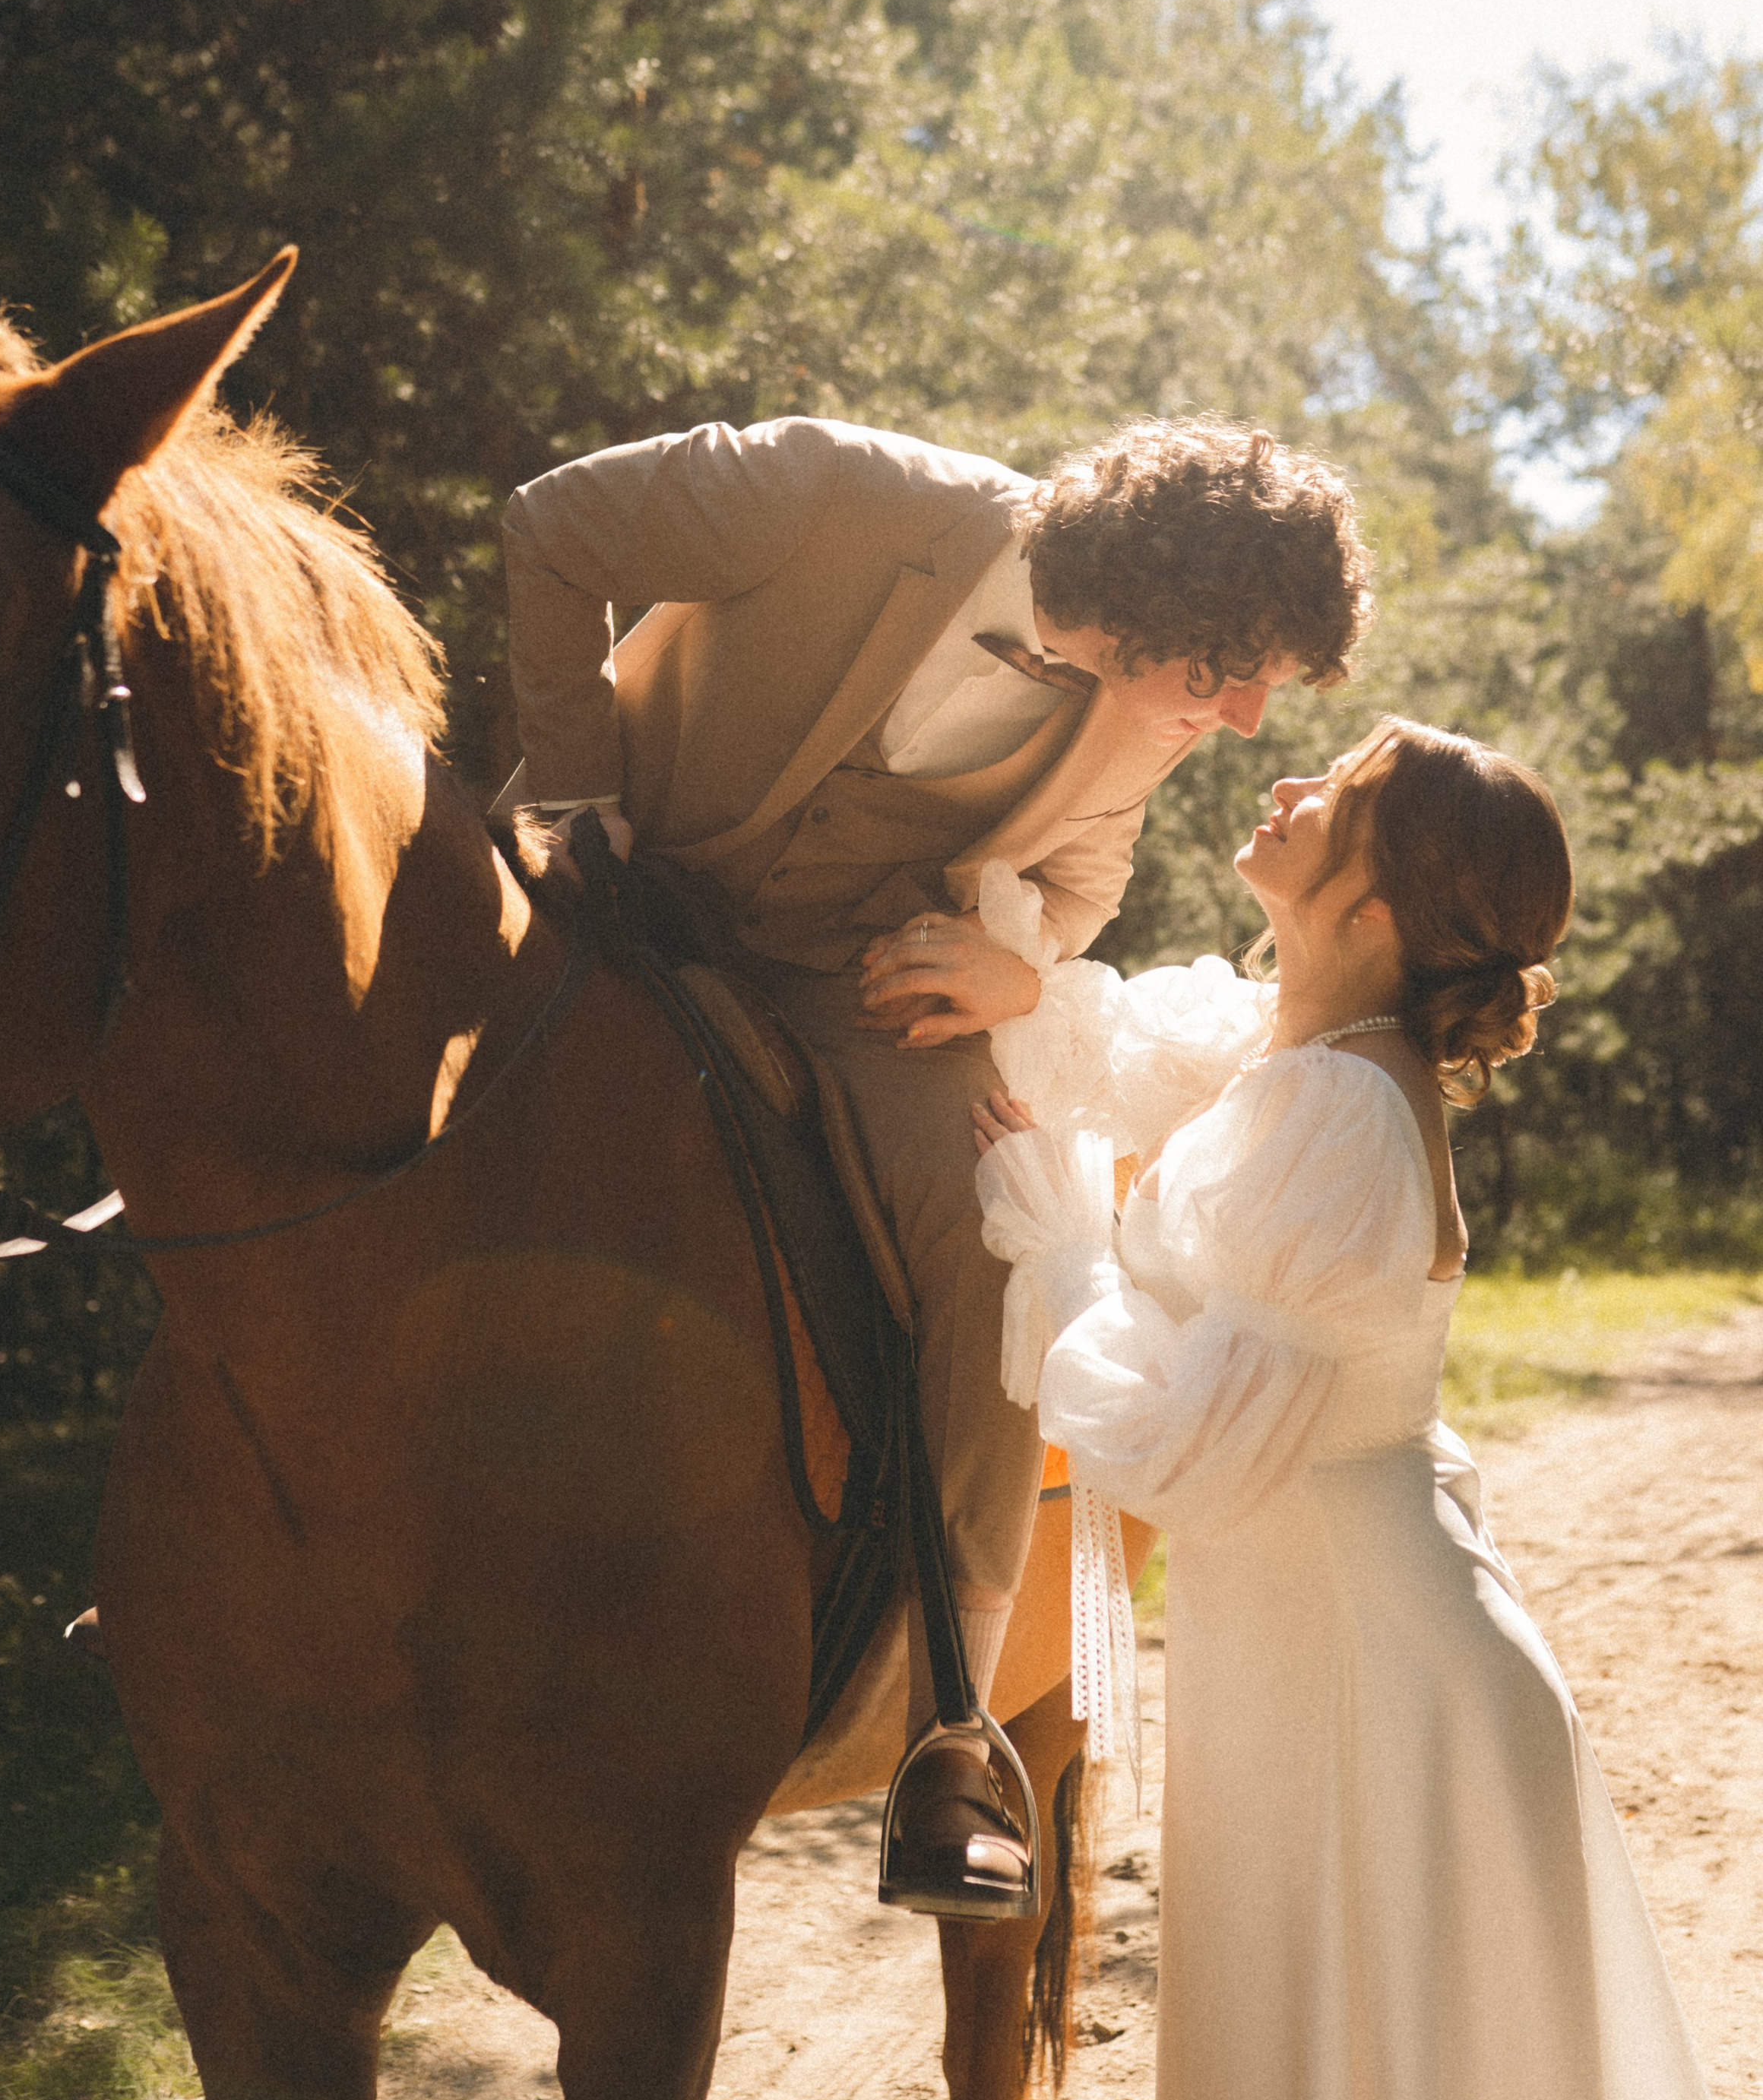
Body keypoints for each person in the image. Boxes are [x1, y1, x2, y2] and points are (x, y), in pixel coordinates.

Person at [495, 410, 1372, 1912]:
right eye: (1232, 676)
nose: (1237, 724)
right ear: (1154, 604)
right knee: (348, 1059)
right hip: (599, 889)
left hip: (860, 980)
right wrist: (576, 799)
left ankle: (950, 1739)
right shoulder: (833, 492)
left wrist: (1003, 964)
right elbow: (551, 524)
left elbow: (1084, 884)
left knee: (988, 1226)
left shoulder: (1137, 707)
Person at [969, 718, 1747, 2100]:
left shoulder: (1334, 1111)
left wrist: (1061, 1245)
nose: (1283, 787)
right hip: (1323, 1650)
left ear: (1372, 903)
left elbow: (1182, 1455)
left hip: (1372, 1685)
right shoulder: (1306, 1067)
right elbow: (1134, 1052)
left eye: (1328, 793)